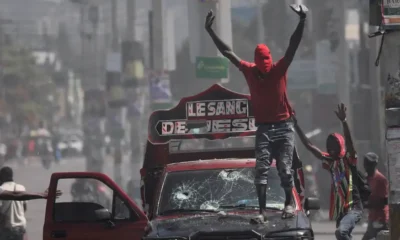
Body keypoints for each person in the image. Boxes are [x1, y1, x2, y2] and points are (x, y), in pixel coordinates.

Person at [205, 4, 306, 221]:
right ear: (257, 64)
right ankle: (261, 212)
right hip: (263, 128)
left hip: (284, 126)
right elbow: (227, 52)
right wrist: (210, 31)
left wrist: (302, 21)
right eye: (262, 68)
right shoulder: (249, 70)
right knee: (260, 171)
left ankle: (288, 203)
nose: (265, 71)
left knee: (285, 170)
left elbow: (292, 45)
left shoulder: (279, 69)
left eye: (267, 66)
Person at [294, 103, 363, 240]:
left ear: (340, 146)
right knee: (343, 235)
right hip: (341, 211)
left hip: (353, 208)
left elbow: (350, 144)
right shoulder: (331, 162)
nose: (331, 149)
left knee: (341, 233)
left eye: (334, 145)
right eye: (329, 146)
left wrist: (344, 122)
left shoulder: (349, 159)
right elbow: (310, 146)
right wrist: (295, 125)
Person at [362, 152, 389, 240]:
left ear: (374, 165)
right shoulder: (367, 178)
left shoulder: (380, 179)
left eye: (369, 164)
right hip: (372, 217)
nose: (366, 167)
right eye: (366, 164)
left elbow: (384, 201)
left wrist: (367, 204)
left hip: (380, 218)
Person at [0, 167, 28, 240]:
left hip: (7, 229)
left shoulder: (1, 190)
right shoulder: (21, 188)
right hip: (21, 228)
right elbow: (24, 208)